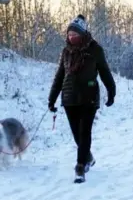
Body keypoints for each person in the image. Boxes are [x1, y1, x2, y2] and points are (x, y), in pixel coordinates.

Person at [48, 14, 116, 183]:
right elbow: (59, 76)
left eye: (75, 35)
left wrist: (111, 91)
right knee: (76, 134)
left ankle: (80, 167)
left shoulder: (95, 49)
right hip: (69, 98)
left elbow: (105, 72)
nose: (72, 38)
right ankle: (88, 156)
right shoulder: (66, 52)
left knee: (84, 132)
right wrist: (52, 99)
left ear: (83, 34)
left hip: (89, 97)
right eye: (69, 35)